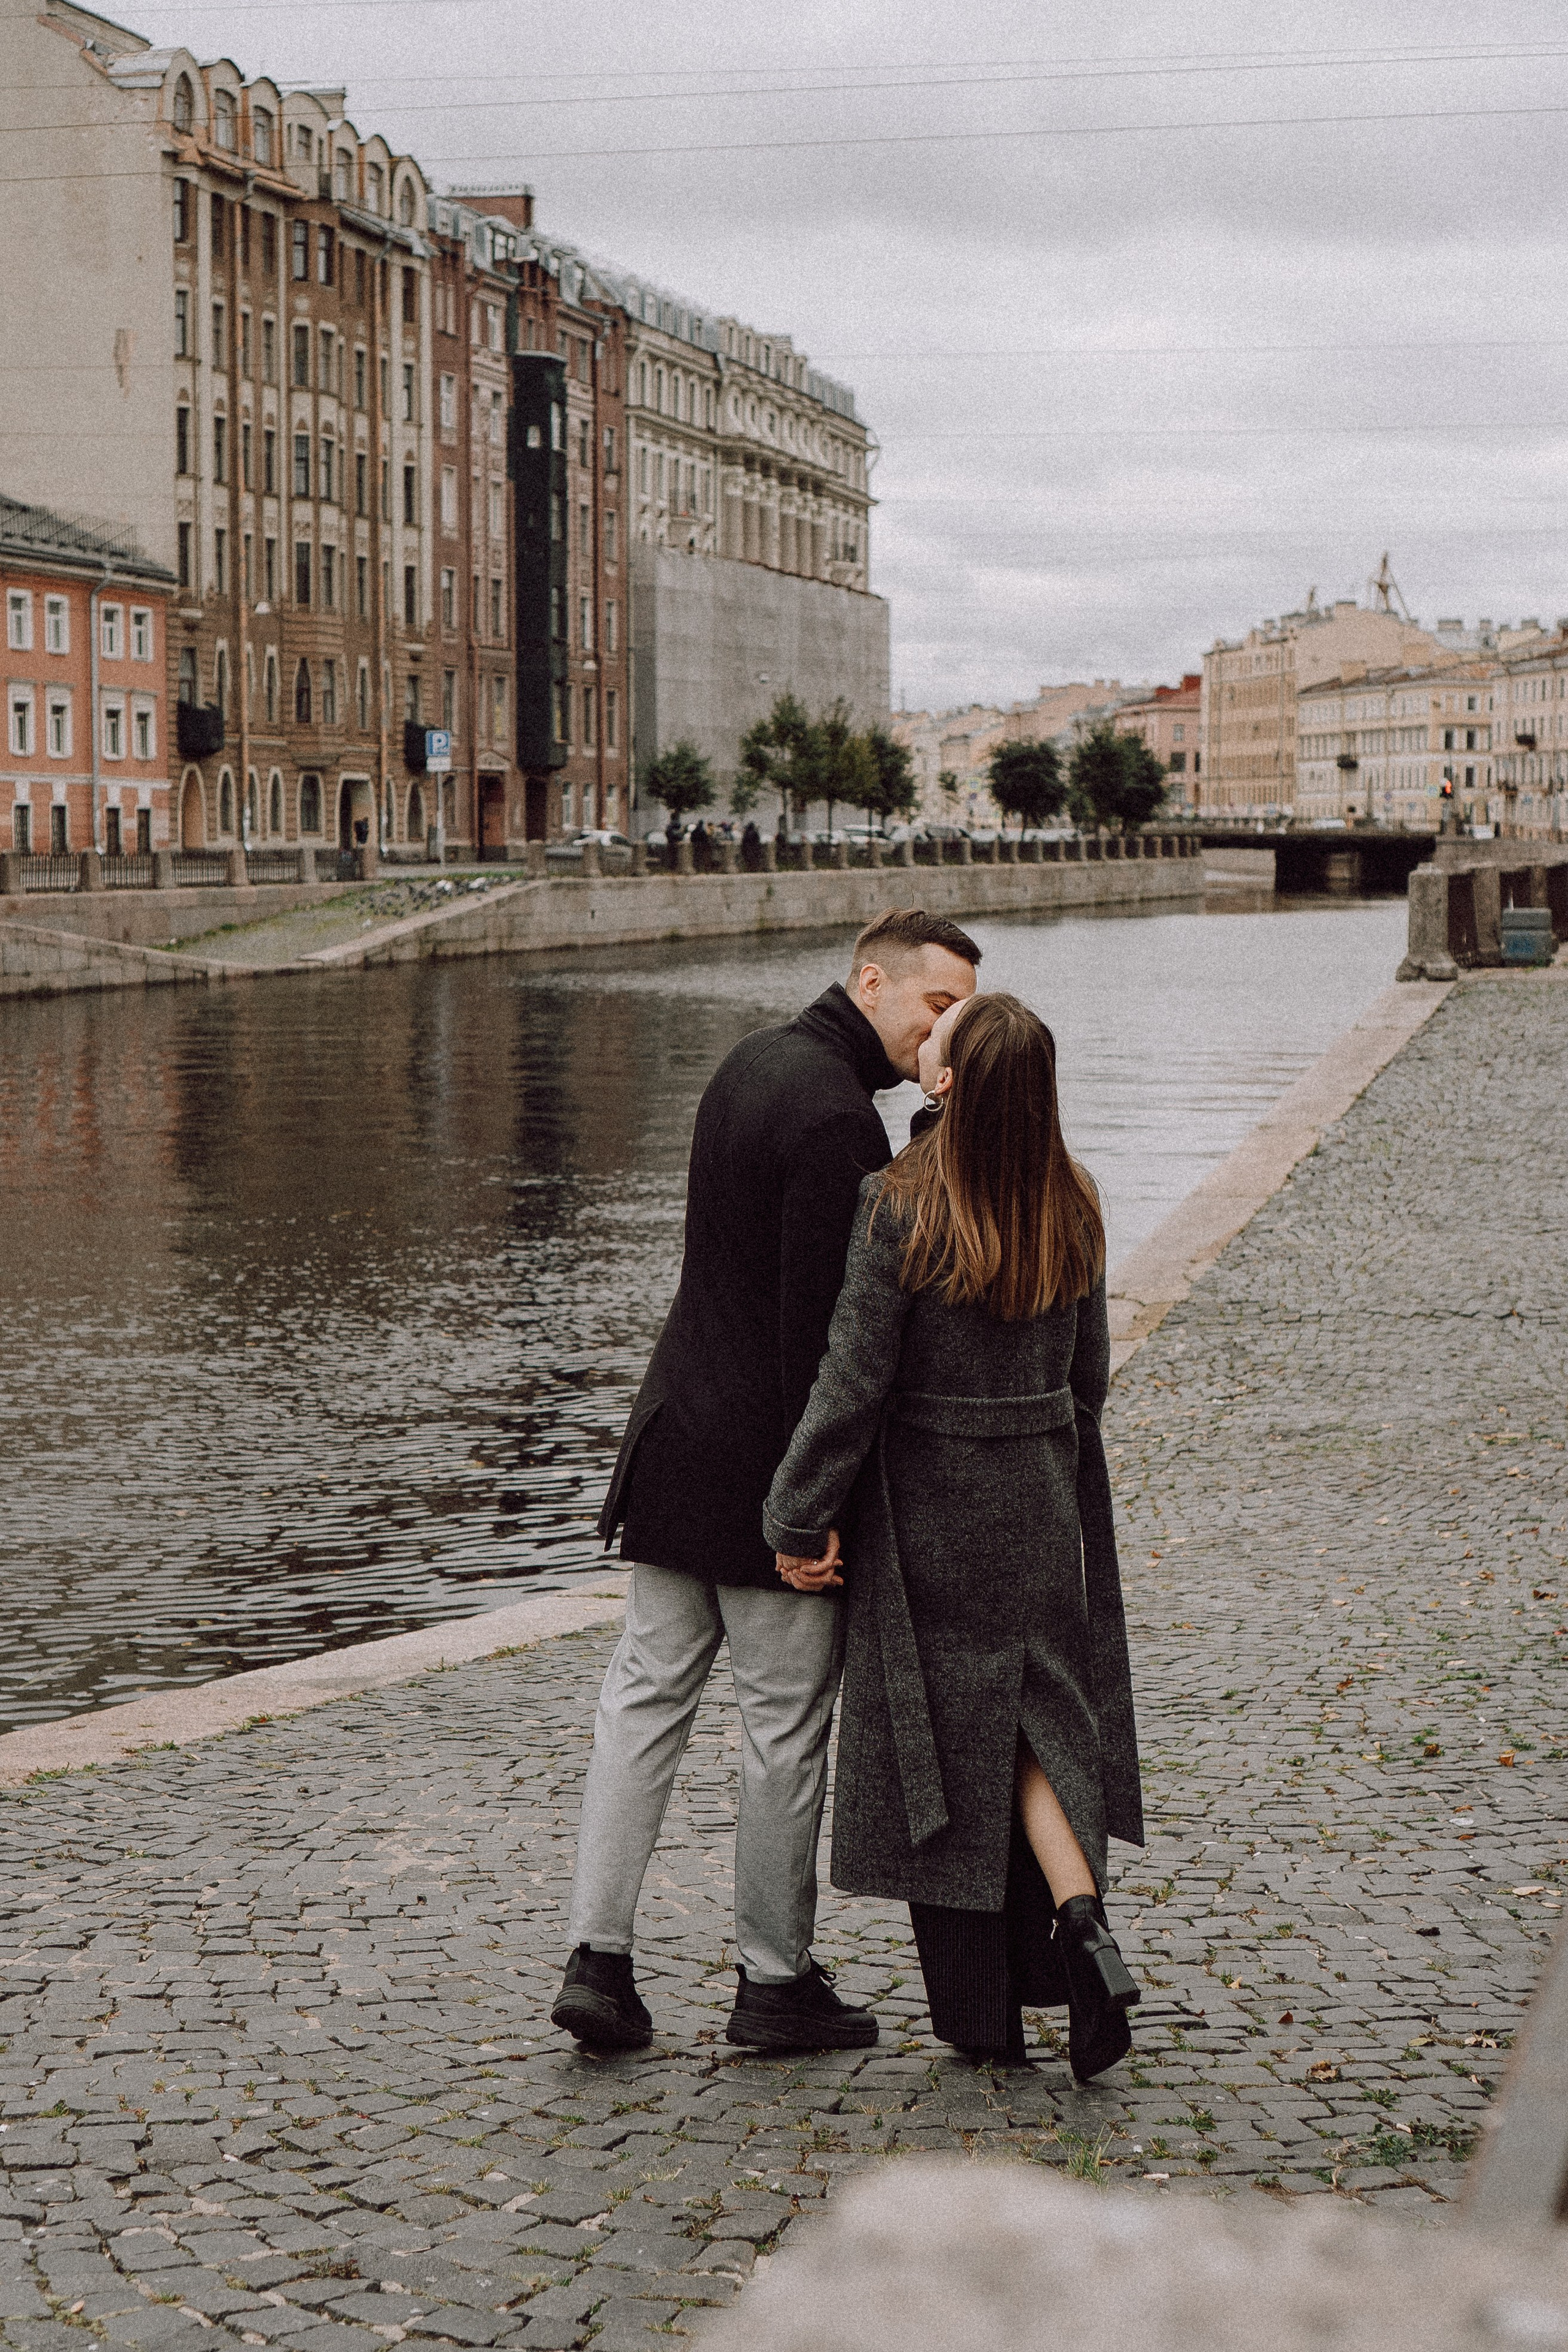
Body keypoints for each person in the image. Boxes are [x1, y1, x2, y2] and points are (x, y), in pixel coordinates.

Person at [551, 908, 982, 2054]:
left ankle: (598, 1958)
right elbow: (824, 1340)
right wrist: (811, 1511)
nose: (948, 1030)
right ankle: (775, 1981)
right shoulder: (838, 1119)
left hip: (673, 1442)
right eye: (939, 1004)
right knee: (783, 1727)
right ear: (873, 983)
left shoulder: (749, 1062)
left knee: (643, 1705)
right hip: (765, 1473)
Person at [763, 992, 1145, 2080]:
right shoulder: (1075, 1200)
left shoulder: (898, 1204)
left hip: (929, 1512)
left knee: (942, 1744)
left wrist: (796, 1514)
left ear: (945, 1082)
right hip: (1039, 1500)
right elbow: (1089, 1379)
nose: (926, 1036)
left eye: (940, 1036)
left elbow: (852, 1384)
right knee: (1038, 1727)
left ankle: (983, 2018)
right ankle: (1082, 1922)